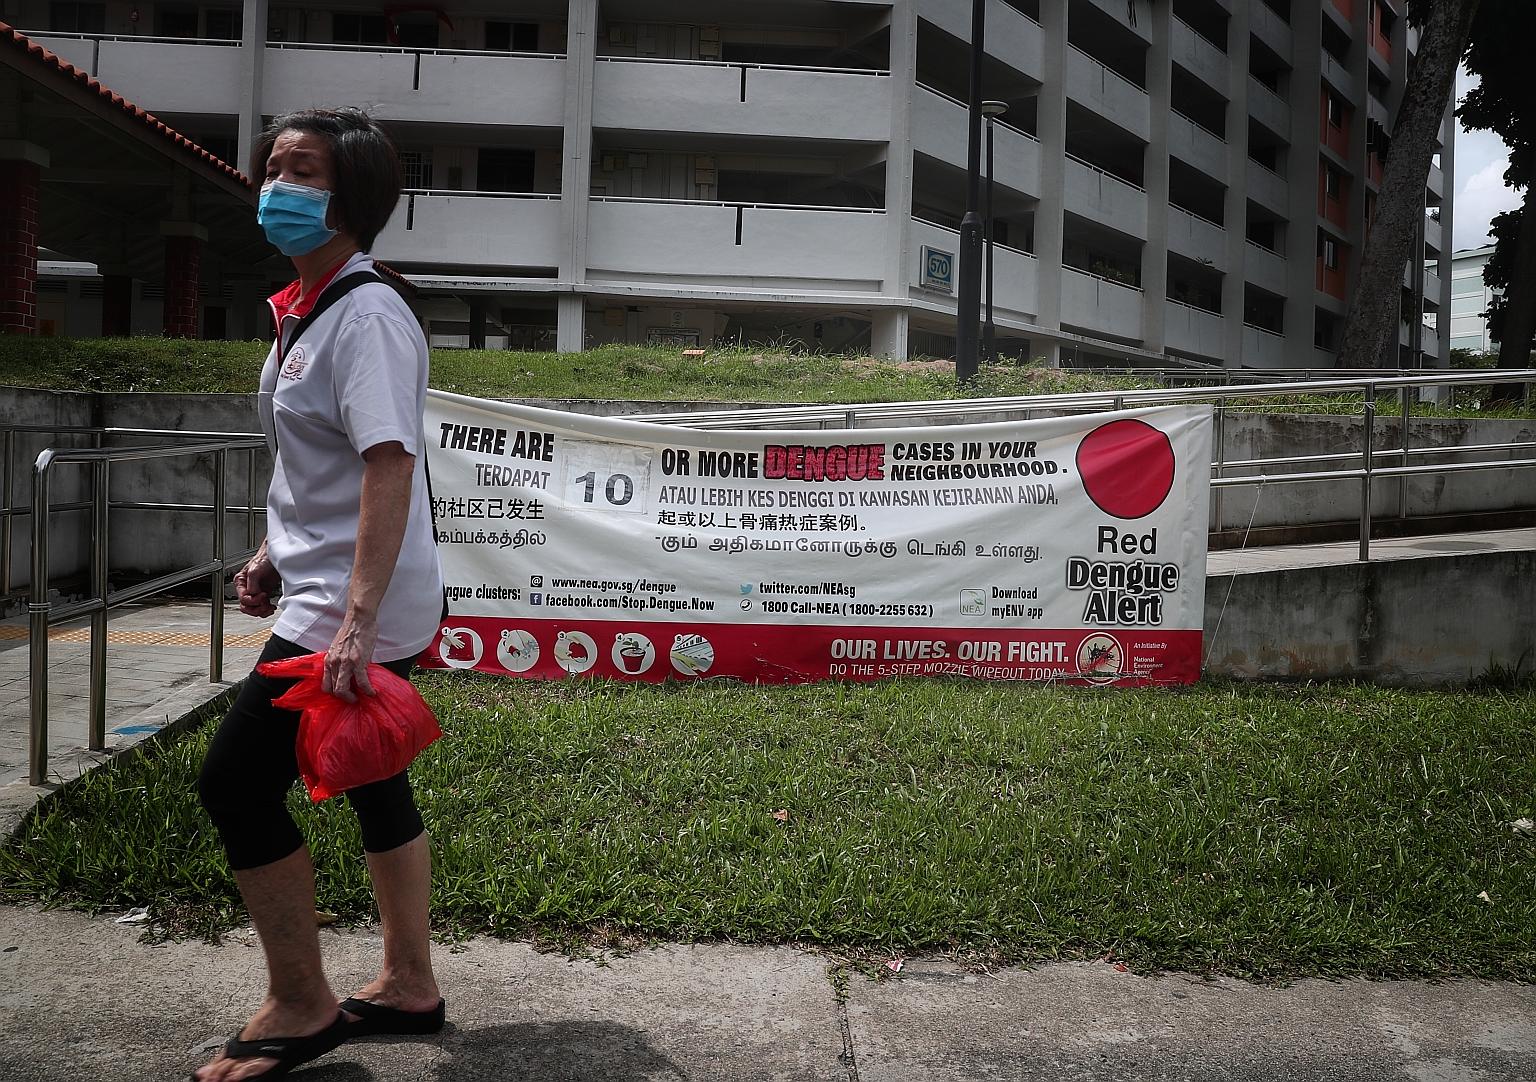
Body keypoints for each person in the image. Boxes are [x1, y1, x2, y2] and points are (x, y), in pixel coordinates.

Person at [194, 108, 446, 1082]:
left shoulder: (366, 313)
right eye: (272, 166)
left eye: (302, 170)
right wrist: (270, 549)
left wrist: (354, 621)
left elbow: (387, 464)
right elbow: (320, 465)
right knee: (375, 771)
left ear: (354, 196)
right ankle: (409, 982)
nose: (276, 183)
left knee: (235, 781)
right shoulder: (310, 306)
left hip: (353, 601)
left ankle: (302, 1002)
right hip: (329, 583)